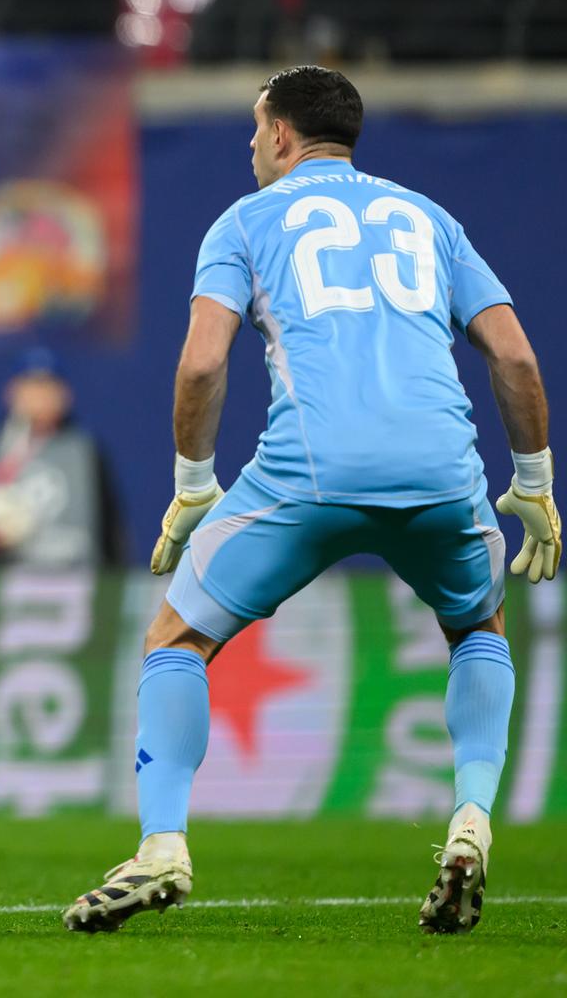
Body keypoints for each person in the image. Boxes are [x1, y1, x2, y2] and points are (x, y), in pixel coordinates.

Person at [62, 66, 557, 936]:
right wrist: (535, 482)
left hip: (311, 474)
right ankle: (472, 818)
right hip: (442, 474)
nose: (251, 146)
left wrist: (191, 488)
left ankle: (163, 846)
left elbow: (203, 364)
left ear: (283, 136)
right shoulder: (429, 218)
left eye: (257, 130)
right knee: (479, 632)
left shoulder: (245, 221)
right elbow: (512, 357)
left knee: (175, 638)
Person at [0, 349, 123, 568]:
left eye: (47, 387)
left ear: (65, 395)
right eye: (31, 386)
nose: (39, 397)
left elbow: (112, 529)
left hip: (77, 581)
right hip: (9, 582)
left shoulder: (86, 450)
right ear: (11, 392)